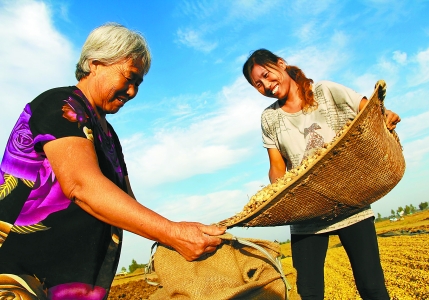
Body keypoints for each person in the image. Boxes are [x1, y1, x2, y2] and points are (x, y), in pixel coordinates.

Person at [0, 23, 225, 300]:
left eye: (138, 84)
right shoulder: (61, 105)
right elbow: (82, 186)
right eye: (129, 78)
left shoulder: (107, 134)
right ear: (95, 63)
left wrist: (185, 232)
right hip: (20, 281)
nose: (131, 92)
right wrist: (172, 233)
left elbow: (125, 200)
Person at [242, 49, 400, 299]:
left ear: (281, 64)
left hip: (349, 202)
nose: (266, 86)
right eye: (258, 85)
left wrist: (385, 114)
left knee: (372, 287)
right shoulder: (269, 118)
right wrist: (277, 194)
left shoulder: (325, 92)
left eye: (266, 75)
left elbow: (369, 113)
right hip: (306, 212)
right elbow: (277, 166)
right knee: (309, 292)